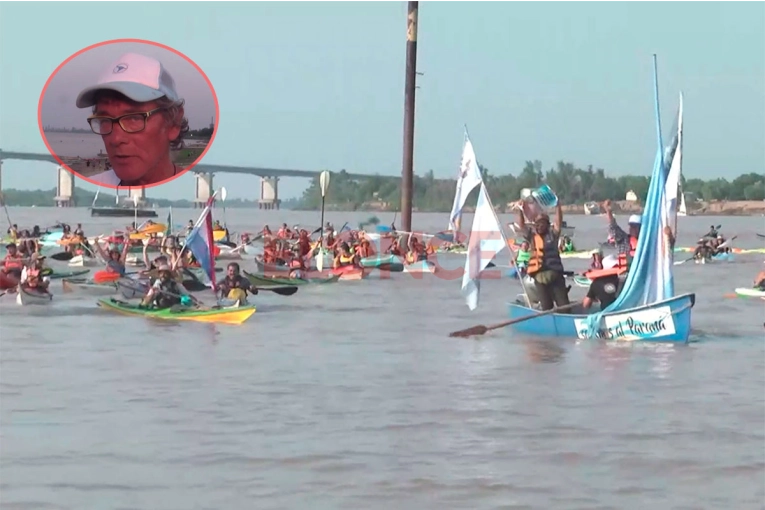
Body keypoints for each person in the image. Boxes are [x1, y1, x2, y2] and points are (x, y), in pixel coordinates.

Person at [75, 53, 188, 187]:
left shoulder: (205, 197)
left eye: (134, 118)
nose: (116, 139)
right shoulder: (86, 191)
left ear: (173, 123)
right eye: (105, 119)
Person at [517, 202, 570, 311]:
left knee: (564, 306)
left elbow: (558, 222)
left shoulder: (552, 235)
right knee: (546, 307)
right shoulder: (532, 237)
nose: (539, 226)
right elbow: (521, 225)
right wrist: (520, 210)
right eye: (537, 224)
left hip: (555, 276)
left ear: (547, 225)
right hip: (540, 278)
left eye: (542, 224)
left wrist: (557, 206)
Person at [602, 200, 639, 272]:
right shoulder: (624, 240)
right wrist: (609, 212)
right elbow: (613, 227)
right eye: (631, 226)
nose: (632, 229)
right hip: (625, 271)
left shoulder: (647, 242)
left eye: (635, 227)